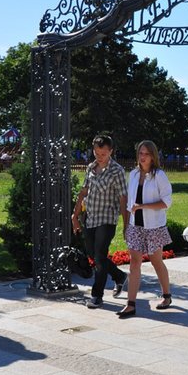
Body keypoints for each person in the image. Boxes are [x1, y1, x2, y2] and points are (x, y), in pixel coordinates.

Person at [71, 134, 129, 309]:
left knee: (99, 256)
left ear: (110, 151)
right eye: (96, 153)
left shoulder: (117, 171)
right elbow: (83, 192)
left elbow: (123, 199)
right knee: (94, 256)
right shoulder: (90, 167)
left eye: (103, 154)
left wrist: (126, 225)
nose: (99, 157)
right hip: (90, 217)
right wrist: (75, 216)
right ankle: (119, 276)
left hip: (107, 219)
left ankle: (97, 296)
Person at [120, 140, 174, 319]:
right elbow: (129, 204)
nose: (142, 157)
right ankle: (130, 304)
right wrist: (126, 224)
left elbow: (166, 202)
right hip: (136, 226)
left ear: (153, 156)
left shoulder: (159, 175)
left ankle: (166, 295)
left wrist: (143, 206)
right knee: (134, 262)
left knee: (156, 260)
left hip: (154, 226)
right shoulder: (134, 174)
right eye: (140, 153)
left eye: (146, 154)